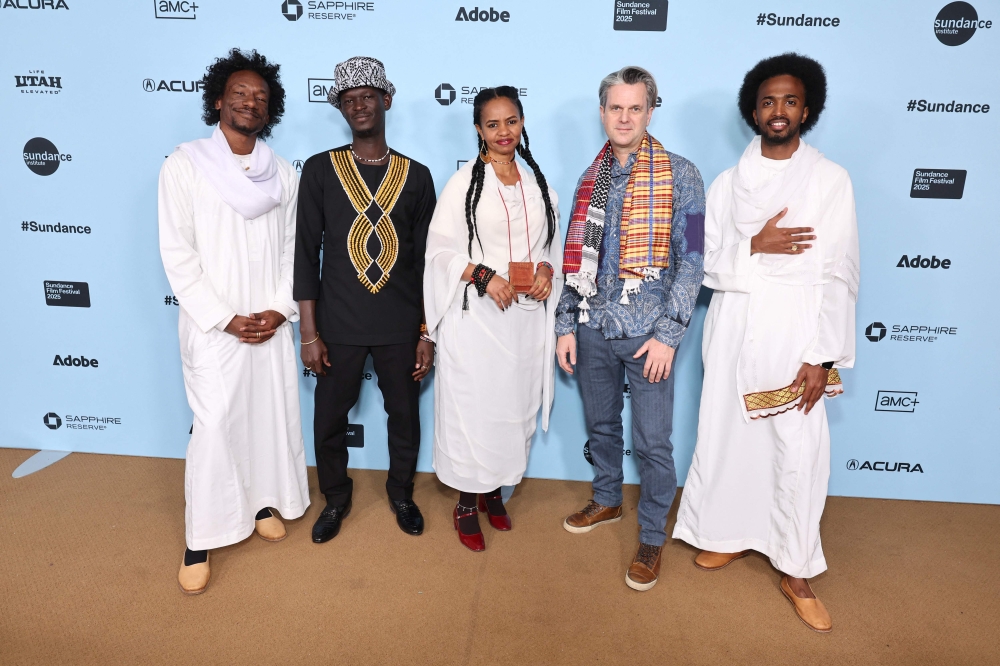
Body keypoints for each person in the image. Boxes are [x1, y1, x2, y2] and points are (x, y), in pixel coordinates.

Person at [671, 53, 859, 633]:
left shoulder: (831, 180)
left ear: (809, 108)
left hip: (796, 334)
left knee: (797, 449)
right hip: (732, 330)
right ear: (752, 110)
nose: (779, 111)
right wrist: (756, 244)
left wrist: (821, 355)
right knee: (728, 437)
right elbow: (700, 263)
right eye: (768, 101)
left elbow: (842, 273)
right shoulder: (724, 185)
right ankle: (726, 533)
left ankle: (797, 567)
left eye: (791, 101)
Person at [158, 48, 309, 595]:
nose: (251, 101)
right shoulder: (184, 165)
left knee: (266, 417)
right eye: (241, 93)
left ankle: (262, 502)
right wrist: (225, 319)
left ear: (271, 111)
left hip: (269, 320)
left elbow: (295, 250)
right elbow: (178, 255)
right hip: (215, 326)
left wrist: (278, 308)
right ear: (218, 99)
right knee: (216, 426)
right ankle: (199, 538)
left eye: (262, 97)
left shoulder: (283, 174)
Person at [555, 66, 705, 591]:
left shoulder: (683, 174)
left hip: (649, 335)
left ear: (650, 111)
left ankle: (651, 539)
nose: (624, 117)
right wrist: (566, 324)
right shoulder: (587, 179)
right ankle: (607, 499)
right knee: (601, 428)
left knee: (652, 444)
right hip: (593, 325)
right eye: (615, 107)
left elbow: (694, 259)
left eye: (635, 108)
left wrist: (669, 333)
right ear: (602, 112)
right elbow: (576, 259)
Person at [294, 56, 436, 543]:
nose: (359, 106)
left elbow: (424, 265)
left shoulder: (416, 176)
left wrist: (425, 331)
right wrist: (308, 334)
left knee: (405, 418)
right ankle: (335, 497)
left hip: (400, 324)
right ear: (340, 108)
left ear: (385, 101)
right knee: (329, 418)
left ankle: (401, 493)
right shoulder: (318, 171)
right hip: (337, 324)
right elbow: (303, 256)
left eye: (367, 97)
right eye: (349, 100)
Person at [424, 87, 561, 552]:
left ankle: (494, 492)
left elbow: (549, 249)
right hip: (477, 321)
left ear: (523, 123)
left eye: (512, 121)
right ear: (479, 130)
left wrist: (546, 270)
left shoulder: (540, 186)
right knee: (475, 411)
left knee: (512, 410)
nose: (504, 132)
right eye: (493, 124)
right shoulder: (463, 184)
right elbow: (439, 251)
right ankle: (466, 501)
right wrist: (483, 275)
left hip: (523, 322)